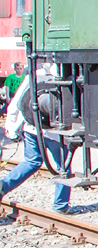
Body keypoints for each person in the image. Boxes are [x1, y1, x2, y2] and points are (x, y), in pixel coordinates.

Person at [1, 72, 69, 213]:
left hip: (32, 127)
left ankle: (3, 186)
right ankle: (60, 206)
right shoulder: (66, 75)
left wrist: (11, 127)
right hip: (54, 133)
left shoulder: (34, 74)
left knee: (31, 162)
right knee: (64, 167)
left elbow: (16, 102)